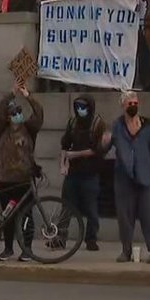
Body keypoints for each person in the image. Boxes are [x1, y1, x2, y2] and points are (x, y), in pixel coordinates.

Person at [108, 91, 150, 263]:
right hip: (124, 177)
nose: (133, 106)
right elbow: (106, 145)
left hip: (146, 176)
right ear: (123, 105)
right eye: (129, 103)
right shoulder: (117, 126)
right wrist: (102, 141)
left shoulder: (148, 127)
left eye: (135, 103)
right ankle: (126, 250)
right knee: (125, 216)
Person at [0, 83, 43, 262]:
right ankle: (8, 249)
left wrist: (27, 95)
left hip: (24, 179)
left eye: (18, 112)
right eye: (13, 113)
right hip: (5, 179)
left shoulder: (29, 129)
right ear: (7, 117)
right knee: (8, 217)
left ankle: (26, 249)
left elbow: (39, 114)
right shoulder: (2, 131)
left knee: (27, 215)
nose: (17, 116)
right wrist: (11, 93)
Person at [60, 94, 107, 252]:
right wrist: (63, 164)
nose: (80, 111)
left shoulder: (97, 124)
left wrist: (75, 155)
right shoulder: (73, 122)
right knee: (66, 206)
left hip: (90, 173)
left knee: (91, 210)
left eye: (83, 107)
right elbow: (65, 145)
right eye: (78, 107)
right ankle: (60, 238)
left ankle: (91, 239)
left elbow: (97, 150)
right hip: (73, 172)